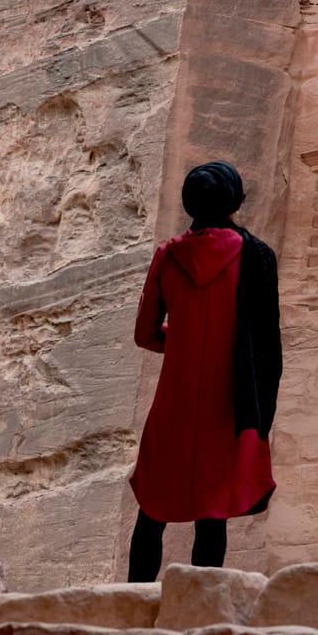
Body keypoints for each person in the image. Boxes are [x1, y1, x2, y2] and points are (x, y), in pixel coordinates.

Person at [126, 161, 281, 581]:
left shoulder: (169, 254)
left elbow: (144, 333)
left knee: (152, 509)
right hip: (227, 403)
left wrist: (178, 342)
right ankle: (202, 613)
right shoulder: (256, 255)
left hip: (173, 403)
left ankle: (129, 608)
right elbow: (267, 343)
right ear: (233, 201)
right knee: (212, 514)